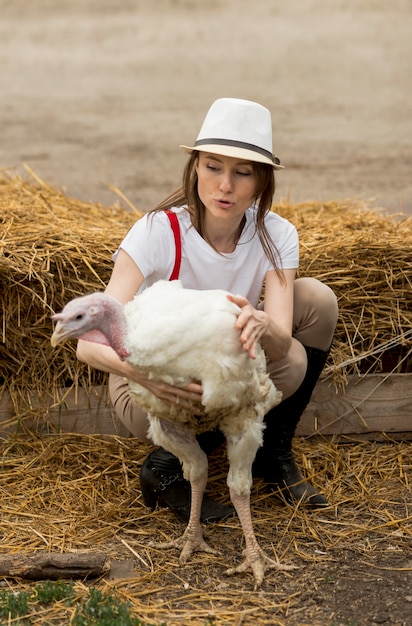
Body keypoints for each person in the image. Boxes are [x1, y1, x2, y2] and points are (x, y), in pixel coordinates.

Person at [76, 97, 338, 522]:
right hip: (153, 386)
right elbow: (88, 345)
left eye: (242, 172)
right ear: (195, 166)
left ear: (262, 181)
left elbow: (283, 342)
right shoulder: (157, 231)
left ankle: (273, 453)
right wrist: (144, 378)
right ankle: (166, 465)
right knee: (173, 396)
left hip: (224, 371)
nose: (225, 186)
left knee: (315, 304)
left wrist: (262, 322)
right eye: (213, 166)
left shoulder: (276, 234)